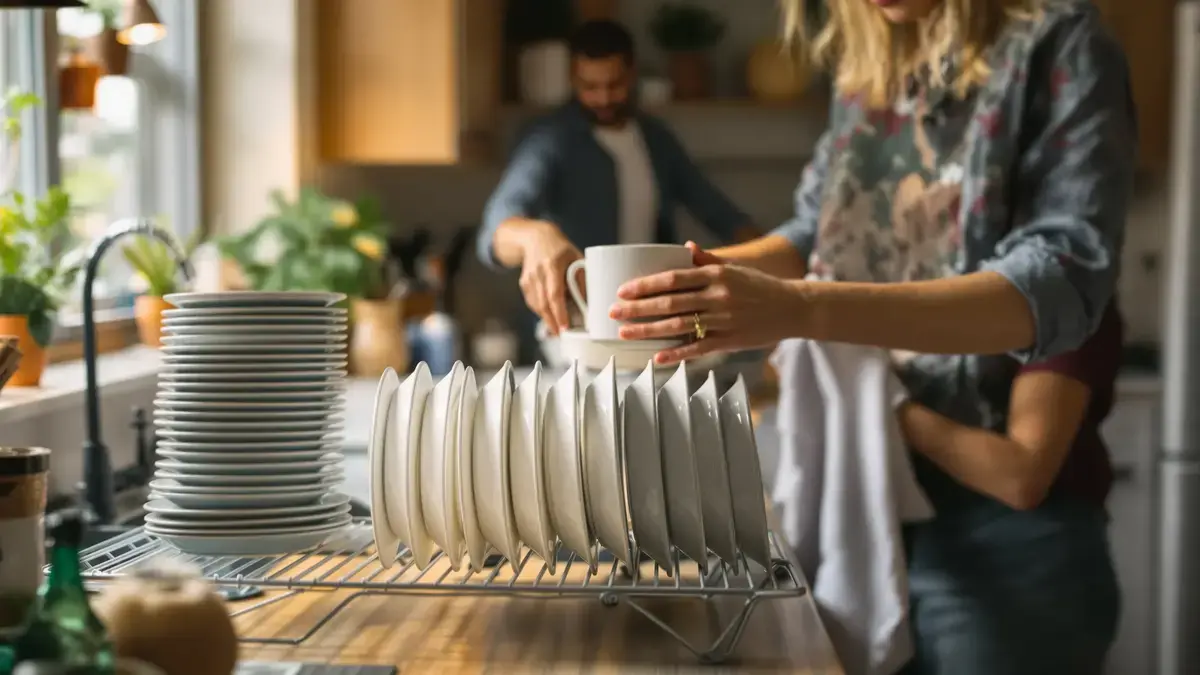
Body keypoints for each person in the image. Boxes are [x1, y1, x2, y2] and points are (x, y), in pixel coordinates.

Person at [608, 0, 1134, 672]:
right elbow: (817, 233)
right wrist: (667, 284)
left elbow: (1057, 280)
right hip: (868, 494)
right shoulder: (873, 58)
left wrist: (801, 309)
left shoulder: (1060, 42)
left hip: (1009, 548)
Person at [477, 19, 755, 347]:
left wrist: (768, 267)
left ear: (632, 73)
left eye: (615, 84)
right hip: (573, 335)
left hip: (651, 327)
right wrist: (534, 236)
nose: (603, 97)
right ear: (571, 77)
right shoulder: (549, 141)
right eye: (589, 87)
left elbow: (719, 213)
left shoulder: (657, 141)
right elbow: (496, 229)